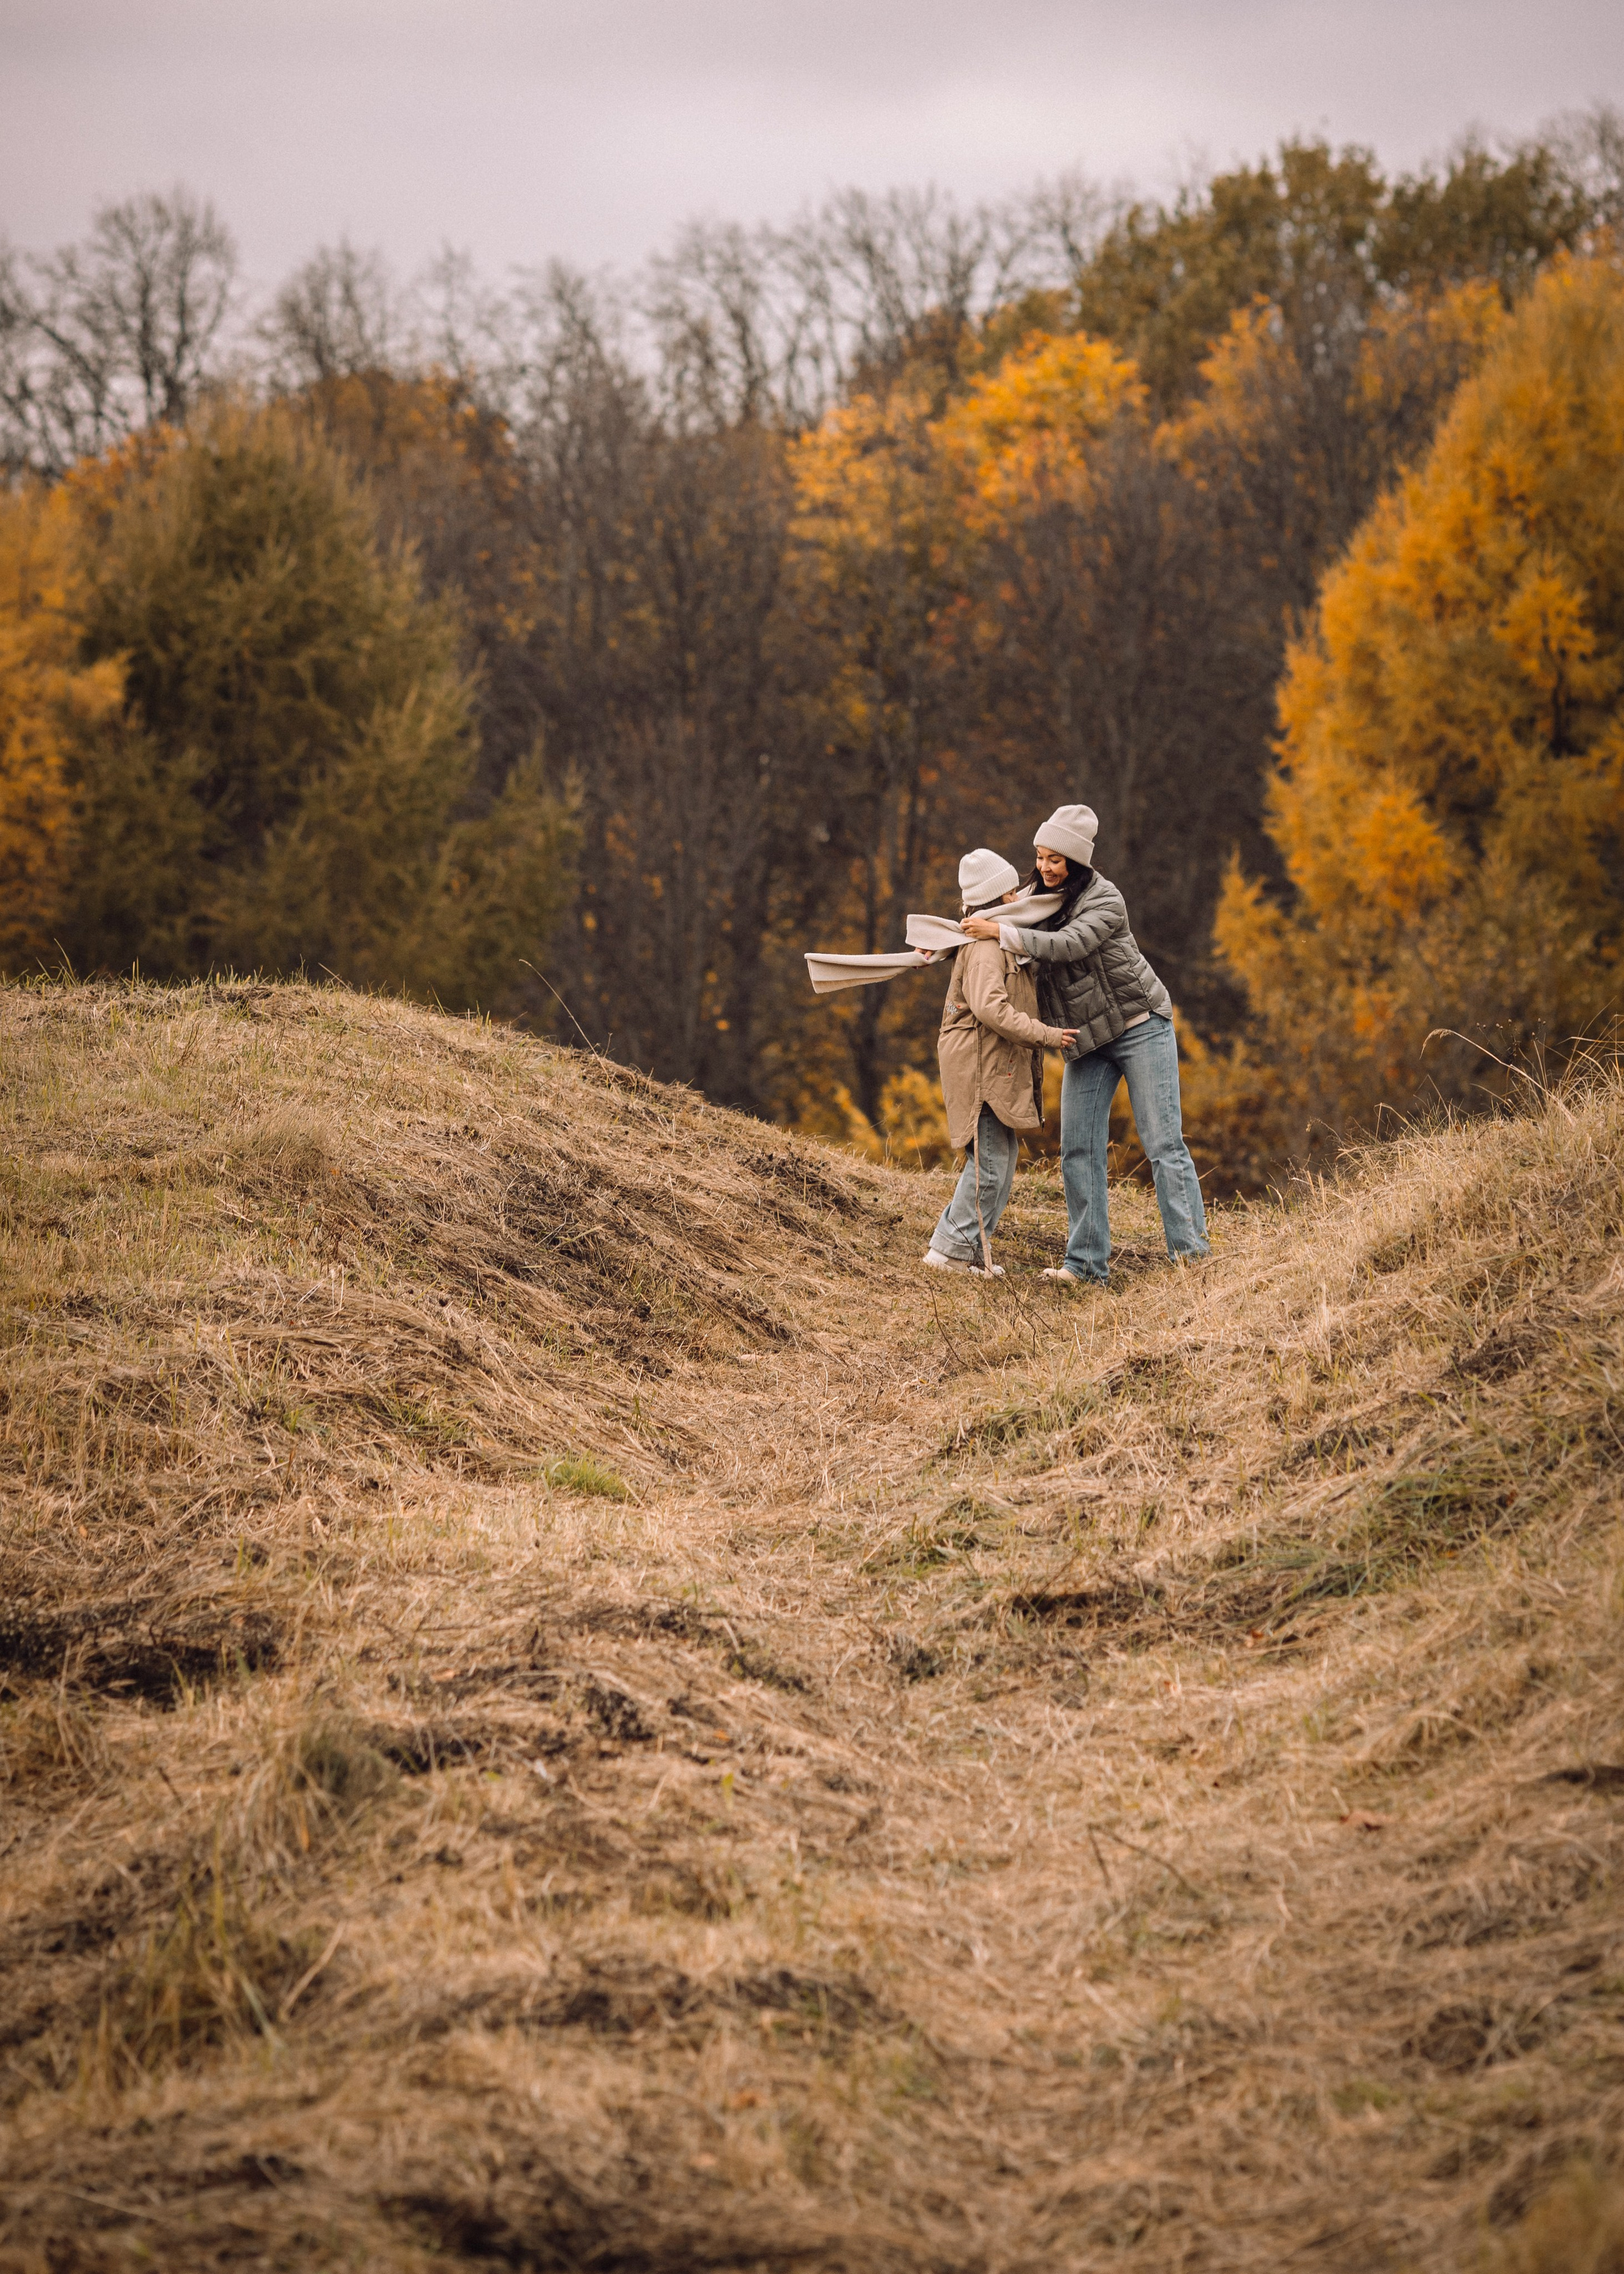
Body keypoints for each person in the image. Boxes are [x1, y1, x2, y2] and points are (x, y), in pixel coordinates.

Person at [963, 804, 1208, 1286]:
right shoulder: (1034, 900)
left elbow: (1069, 944)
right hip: (1086, 1038)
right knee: (1077, 1149)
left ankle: (1193, 1259)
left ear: (1077, 860)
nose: (1046, 867)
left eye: (1056, 858)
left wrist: (1003, 932)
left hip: (1141, 1025)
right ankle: (1086, 1265)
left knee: (1163, 1144)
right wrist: (947, 941)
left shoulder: (1106, 900)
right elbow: (985, 918)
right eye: (1039, 856)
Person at [924, 848, 1076, 1276]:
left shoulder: (999, 940)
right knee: (989, 1165)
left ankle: (971, 1250)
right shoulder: (987, 949)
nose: (1019, 899)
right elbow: (991, 1009)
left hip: (994, 1064)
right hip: (980, 1068)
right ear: (992, 900)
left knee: (1001, 1161)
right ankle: (947, 1252)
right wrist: (1047, 1035)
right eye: (1010, 892)